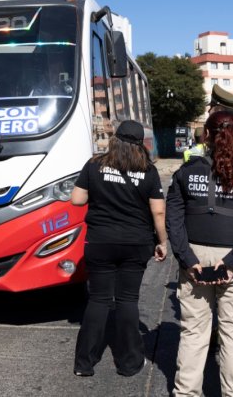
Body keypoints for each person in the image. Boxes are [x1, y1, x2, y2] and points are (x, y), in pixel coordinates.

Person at [166, 110, 233, 396]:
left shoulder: (185, 173)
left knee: (193, 333)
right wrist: (232, 263)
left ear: (207, 137)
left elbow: (173, 221)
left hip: (195, 259)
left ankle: (186, 393)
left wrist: (188, 259)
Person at [71, 120, 168, 378]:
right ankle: (129, 363)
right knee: (127, 300)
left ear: (114, 140)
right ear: (140, 144)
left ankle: (84, 363)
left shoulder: (94, 165)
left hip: (100, 241)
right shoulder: (148, 170)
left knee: (99, 299)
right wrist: (162, 241)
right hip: (136, 243)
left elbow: (77, 199)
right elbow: (158, 210)